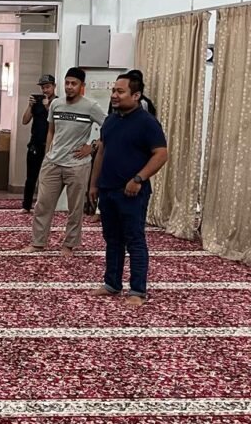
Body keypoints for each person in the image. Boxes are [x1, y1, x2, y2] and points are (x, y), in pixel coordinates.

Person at [89, 73, 168, 306]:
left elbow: (161, 154)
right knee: (112, 239)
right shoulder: (110, 120)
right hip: (108, 190)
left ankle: (137, 290)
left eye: (120, 91)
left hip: (132, 193)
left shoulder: (147, 122)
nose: (114, 95)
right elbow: (101, 152)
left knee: (135, 240)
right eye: (113, 90)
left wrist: (138, 178)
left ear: (136, 95)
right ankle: (112, 283)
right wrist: (94, 184)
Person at [20, 67, 107, 257]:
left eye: (74, 83)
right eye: (67, 83)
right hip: (52, 163)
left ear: (82, 86)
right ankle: (38, 242)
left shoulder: (91, 106)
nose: (69, 87)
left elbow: (109, 128)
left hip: (77, 165)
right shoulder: (56, 104)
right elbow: (51, 130)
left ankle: (69, 245)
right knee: (42, 204)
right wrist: (48, 153)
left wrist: (92, 146)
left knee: (75, 208)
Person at [20, 74, 57, 213]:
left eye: (48, 87)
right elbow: (24, 121)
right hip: (35, 145)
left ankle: (44, 206)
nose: (45, 90)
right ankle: (26, 205)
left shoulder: (58, 103)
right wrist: (30, 106)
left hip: (51, 146)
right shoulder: (37, 102)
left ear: (54, 86)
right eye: (43, 88)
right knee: (31, 177)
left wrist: (48, 108)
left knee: (47, 179)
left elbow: (58, 124)